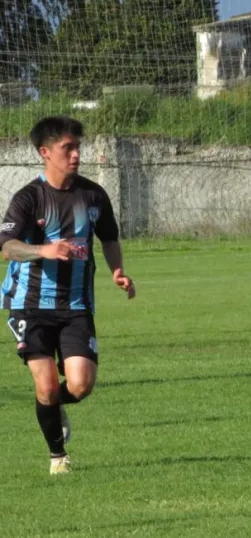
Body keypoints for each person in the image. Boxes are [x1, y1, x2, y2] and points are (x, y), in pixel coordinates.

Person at [0, 117, 136, 474]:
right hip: (29, 303)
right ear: (45, 153)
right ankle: (58, 457)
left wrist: (117, 271)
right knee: (45, 385)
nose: (76, 155)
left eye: (78, 147)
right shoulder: (29, 197)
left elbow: (108, 237)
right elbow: (8, 248)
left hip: (76, 305)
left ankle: (52, 406)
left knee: (80, 384)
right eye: (68, 148)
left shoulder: (92, 194)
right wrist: (43, 250)